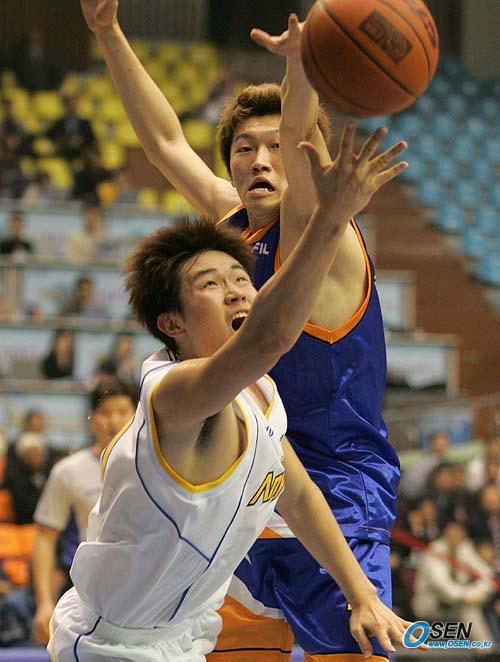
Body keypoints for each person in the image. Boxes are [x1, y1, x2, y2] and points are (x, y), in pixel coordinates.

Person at [80, 4, 406, 659]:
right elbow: (166, 144)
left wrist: (301, 66)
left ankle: (446, 635)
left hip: (337, 491)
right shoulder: (231, 228)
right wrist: (109, 33)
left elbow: (300, 131)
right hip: (250, 481)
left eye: (275, 148)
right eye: (243, 148)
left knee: (375, 641)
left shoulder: (321, 229)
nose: (260, 160)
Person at [32, 379, 137, 645]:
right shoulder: (68, 471)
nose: (114, 421)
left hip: (141, 588)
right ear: (92, 419)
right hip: (86, 592)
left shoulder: (155, 468)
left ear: (137, 414)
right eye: (105, 413)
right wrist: (44, 602)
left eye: (122, 411)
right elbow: (44, 537)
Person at [412, 521, 494, 642]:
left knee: (474, 607)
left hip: (456, 604)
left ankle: (486, 649)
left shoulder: (464, 548)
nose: (455, 535)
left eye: (459, 531)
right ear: (445, 532)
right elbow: (443, 586)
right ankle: (485, 649)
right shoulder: (434, 550)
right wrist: (468, 595)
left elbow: (487, 575)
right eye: (452, 531)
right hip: (432, 604)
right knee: (469, 608)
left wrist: (478, 592)